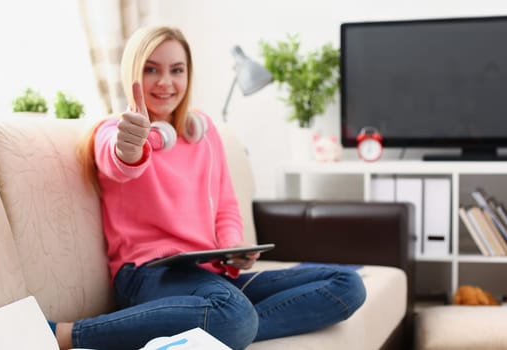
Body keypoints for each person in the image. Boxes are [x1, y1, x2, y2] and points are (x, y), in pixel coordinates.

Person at [55, 25, 366, 350]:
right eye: (151, 70)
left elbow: (227, 207)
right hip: (149, 275)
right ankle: (67, 333)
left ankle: (221, 325)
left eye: (177, 70)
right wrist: (130, 146)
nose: (165, 82)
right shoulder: (117, 131)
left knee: (347, 283)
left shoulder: (203, 133)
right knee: (233, 313)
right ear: (132, 72)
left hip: (210, 277)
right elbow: (118, 160)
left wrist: (233, 249)